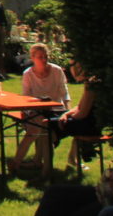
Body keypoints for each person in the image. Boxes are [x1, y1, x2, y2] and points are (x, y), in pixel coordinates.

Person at [9, 43, 72, 177]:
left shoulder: (56, 70)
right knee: (37, 127)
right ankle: (28, 164)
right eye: (40, 57)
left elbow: (64, 92)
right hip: (35, 109)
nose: (44, 59)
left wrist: (67, 109)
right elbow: (25, 97)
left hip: (55, 109)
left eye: (46, 56)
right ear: (33, 58)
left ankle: (23, 163)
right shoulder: (28, 74)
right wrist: (33, 107)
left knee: (42, 127)